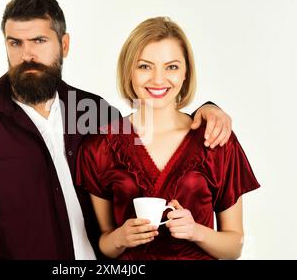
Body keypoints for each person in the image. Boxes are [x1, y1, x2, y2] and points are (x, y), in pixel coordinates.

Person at [0, 0, 233, 260]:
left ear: (64, 44)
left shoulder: (93, 111)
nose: (27, 55)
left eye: (39, 40)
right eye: (15, 43)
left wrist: (206, 110)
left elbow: (155, 122)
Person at [76, 17, 260, 260]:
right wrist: (120, 238)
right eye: (144, 66)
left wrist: (196, 232)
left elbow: (234, 245)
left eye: (171, 67)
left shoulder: (215, 138)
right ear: (128, 71)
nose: (158, 79)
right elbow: (105, 242)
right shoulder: (99, 147)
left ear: (186, 73)